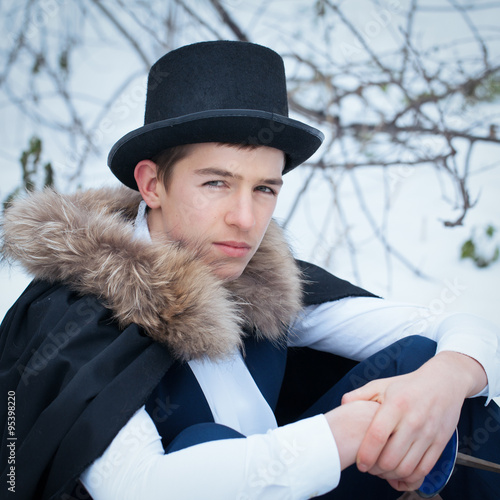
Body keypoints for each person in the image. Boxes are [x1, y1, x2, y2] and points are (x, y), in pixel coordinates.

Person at [1, 40, 499, 500]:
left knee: (424, 360)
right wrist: (356, 430)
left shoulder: (261, 283)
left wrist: (444, 382)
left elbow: (453, 329)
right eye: (217, 183)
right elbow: (139, 487)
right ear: (152, 184)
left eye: (265, 189)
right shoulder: (76, 313)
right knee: (205, 440)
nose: (246, 219)